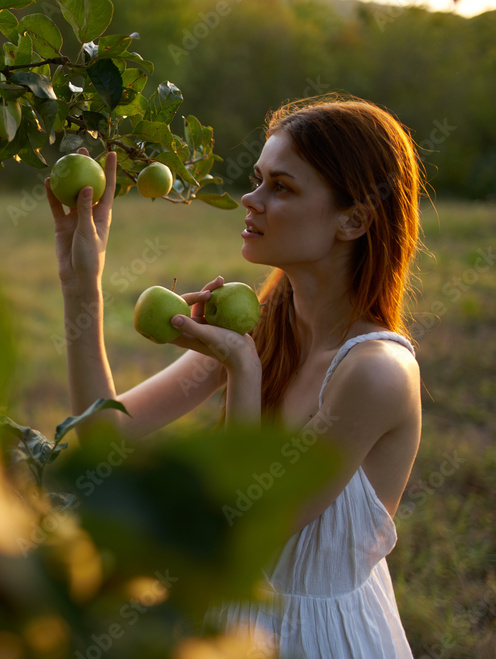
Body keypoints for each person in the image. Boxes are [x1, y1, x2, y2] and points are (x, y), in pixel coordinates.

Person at [45, 94, 424, 657]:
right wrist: (82, 284)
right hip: (226, 630)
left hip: (320, 640)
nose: (251, 199)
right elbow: (103, 434)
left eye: (283, 187)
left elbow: (238, 533)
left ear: (355, 219)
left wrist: (242, 372)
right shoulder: (265, 326)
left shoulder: (375, 374)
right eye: (258, 179)